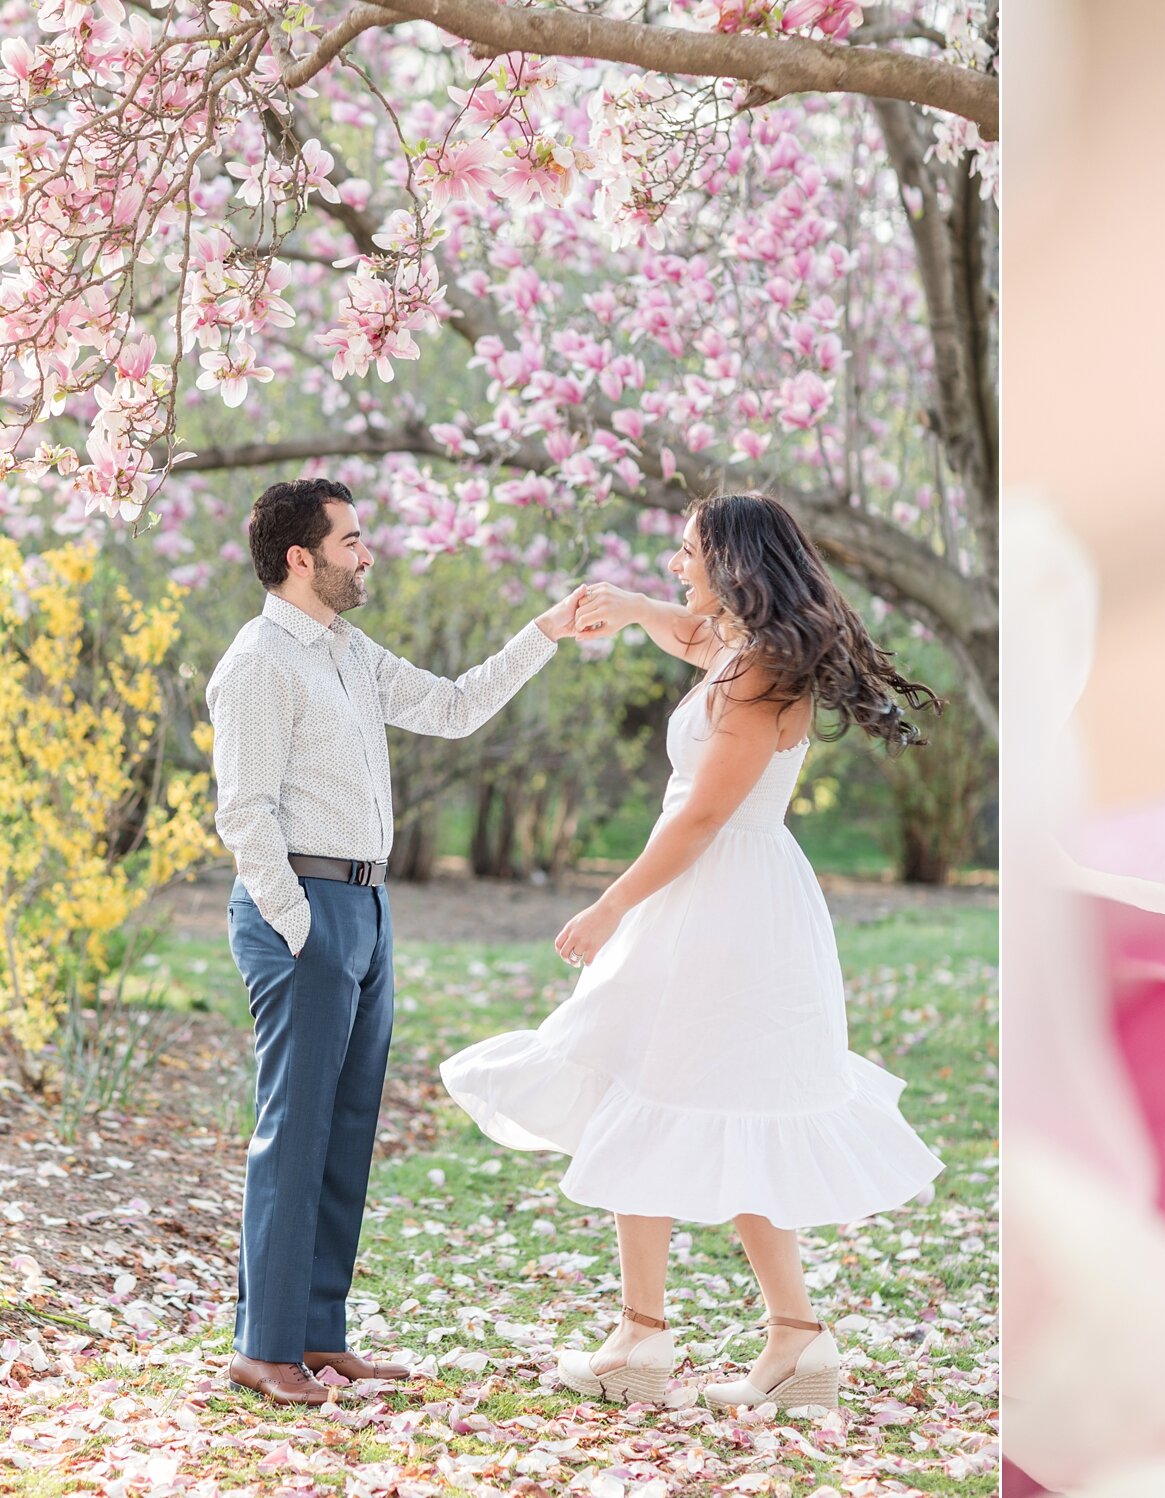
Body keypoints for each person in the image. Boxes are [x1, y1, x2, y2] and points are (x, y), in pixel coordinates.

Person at [440, 490, 948, 1413]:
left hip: (722, 902)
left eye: (686, 553)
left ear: (732, 564)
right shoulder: (750, 653)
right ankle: (777, 1343)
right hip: (719, 900)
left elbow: (704, 815)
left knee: (670, 1091)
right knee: (668, 1090)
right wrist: (635, 611)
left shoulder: (757, 673)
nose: (677, 568)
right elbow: (688, 635)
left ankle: (663, 1340)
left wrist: (607, 906)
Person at [206, 476, 585, 1406]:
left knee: (344, 1129)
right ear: (303, 559)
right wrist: (298, 925)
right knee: (293, 1130)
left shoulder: (347, 651)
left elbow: (455, 707)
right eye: (351, 541)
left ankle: (315, 1336)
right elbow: (244, 813)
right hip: (304, 908)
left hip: (367, 909)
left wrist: (545, 633)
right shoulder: (259, 662)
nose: (366, 553)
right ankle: (263, 1348)